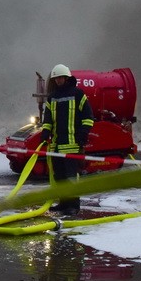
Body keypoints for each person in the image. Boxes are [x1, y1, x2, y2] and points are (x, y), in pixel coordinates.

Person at [39, 64, 94, 215]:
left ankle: (74, 206)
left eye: (61, 78)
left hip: (72, 145)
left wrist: (83, 134)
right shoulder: (52, 97)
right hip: (56, 145)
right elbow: (48, 119)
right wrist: (45, 131)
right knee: (60, 177)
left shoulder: (78, 94)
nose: (58, 81)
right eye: (56, 78)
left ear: (67, 78)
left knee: (71, 177)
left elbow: (88, 117)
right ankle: (63, 204)